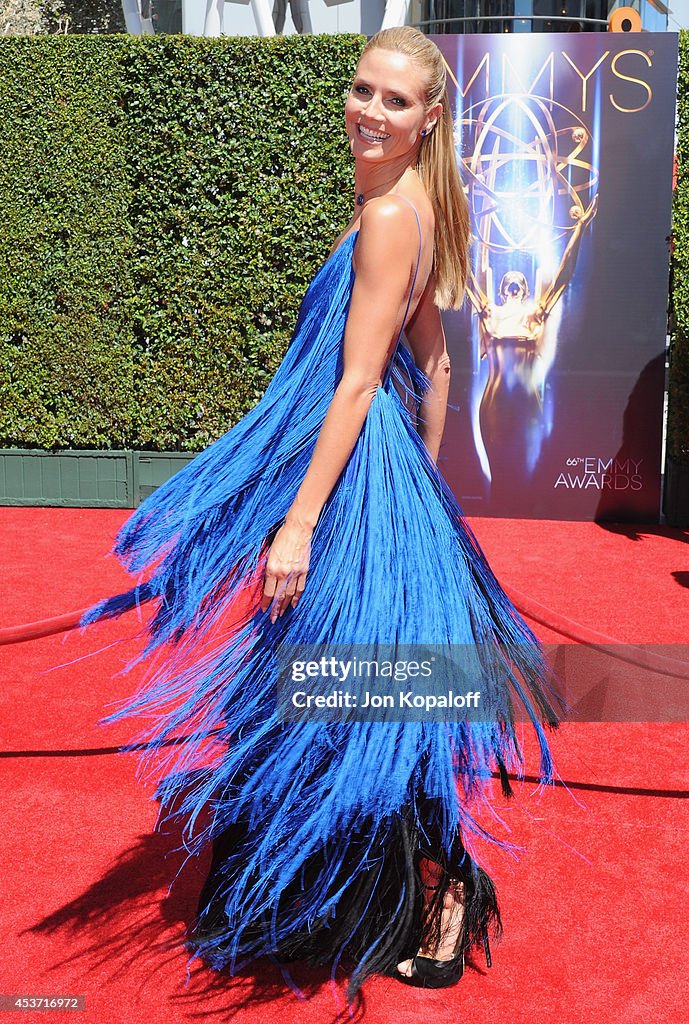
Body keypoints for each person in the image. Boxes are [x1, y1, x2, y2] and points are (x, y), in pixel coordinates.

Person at [82, 26, 561, 999]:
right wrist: (417, 490)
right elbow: (433, 362)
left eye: (394, 100)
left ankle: (419, 893)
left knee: (337, 690)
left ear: (430, 117)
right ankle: (400, 897)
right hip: (379, 483)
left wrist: (301, 524)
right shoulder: (412, 205)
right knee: (363, 695)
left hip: (344, 484)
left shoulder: (391, 218)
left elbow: (353, 387)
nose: (369, 112)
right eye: (361, 90)